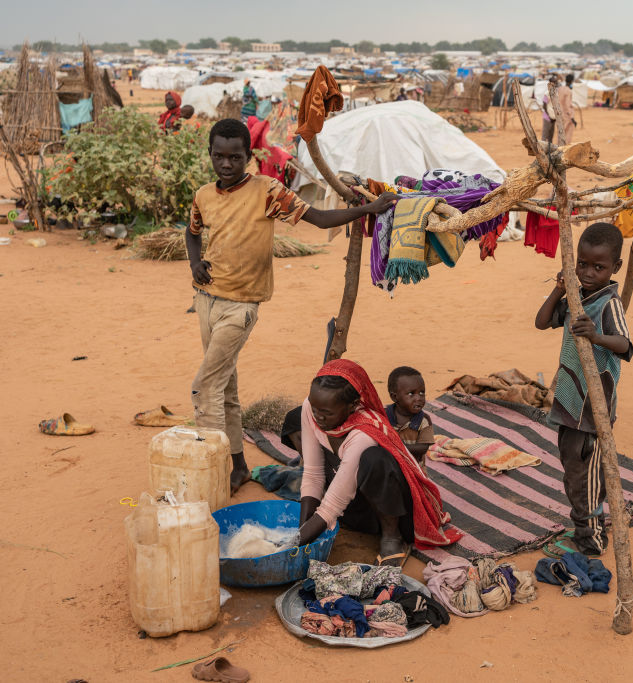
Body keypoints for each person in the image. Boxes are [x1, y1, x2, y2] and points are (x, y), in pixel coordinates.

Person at [185, 119, 398, 496]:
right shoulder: (203, 194)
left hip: (241, 307)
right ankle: (237, 468)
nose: (227, 164)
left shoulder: (267, 191)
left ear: (248, 158)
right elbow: (192, 231)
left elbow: (317, 218)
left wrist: (369, 208)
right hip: (207, 301)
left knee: (205, 389)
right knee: (225, 388)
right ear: (211, 156)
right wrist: (195, 262)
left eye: (235, 157)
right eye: (219, 156)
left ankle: (211, 475)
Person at [296, 360, 460, 566]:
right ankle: (315, 528)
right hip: (360, 509)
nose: (317, 416)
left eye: (327, 413)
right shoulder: (310, 408)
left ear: (353, 406)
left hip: (401, 516)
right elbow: (313, 473)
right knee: (292, 423)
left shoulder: (365, 432)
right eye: (315, 407)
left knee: (374, 459)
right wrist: (301, 531)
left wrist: (291, 544)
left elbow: (331, 507)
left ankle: (392, 538)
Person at [534, 222, 633, 556]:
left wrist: (595, 336)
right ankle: (582, 524)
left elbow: (623, 344)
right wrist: (559, 291)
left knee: (587, 476)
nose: (588, 272)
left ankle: (590, 538)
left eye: (599, 267)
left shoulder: (608, 304)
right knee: (573, 470)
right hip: (569, 402)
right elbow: (541, 321)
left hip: (593, 407)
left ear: (615, 268)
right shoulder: (578, 298)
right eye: (583, 264)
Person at [386, 366, 435, 465]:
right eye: (411, 394)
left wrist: (402, 448)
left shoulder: (424, 420)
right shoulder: (384, 416)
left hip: (414, 470)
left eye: (422, 393)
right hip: (390, 466)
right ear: (394, 397)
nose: (418, 398)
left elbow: (423, 447)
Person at [539, 74, 558, 145]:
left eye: (556, 82)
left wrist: (554, 117)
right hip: (547, 118)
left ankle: (550, 151)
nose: (555, 84)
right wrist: (549, 116)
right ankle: (541, 151)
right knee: (545, 135)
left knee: (551, 136)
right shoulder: (547, 94)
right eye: (554, 82)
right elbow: (544, 106)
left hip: (553, 117)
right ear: (550, 83)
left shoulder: (555, 93)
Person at [558, 73, 576, 143]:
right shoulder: (568, 91)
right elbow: (568, 105)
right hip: (567, 115)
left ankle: (559, 148)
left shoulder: (560, 89)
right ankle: (565, 149)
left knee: (561, 132)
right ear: (572, 81)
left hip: (559, 113)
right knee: (567, 133)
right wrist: (572, 117)